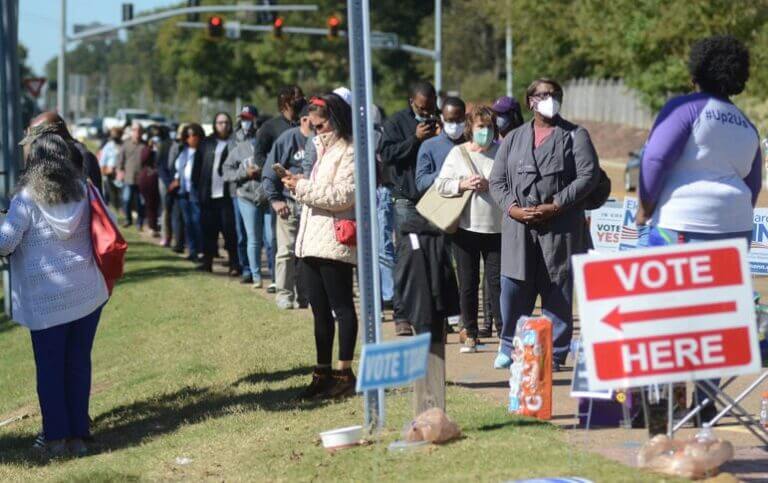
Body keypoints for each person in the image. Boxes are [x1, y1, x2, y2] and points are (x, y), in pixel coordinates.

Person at [637, 35, 760, 424]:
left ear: (697, 72)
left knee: (664, 314)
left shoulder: (686, 107)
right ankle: (706, 402)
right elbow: (753, 185)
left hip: (681, 223)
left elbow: (656, 157)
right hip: (735, 227)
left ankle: (663, 401)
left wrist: (645, 206)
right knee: (715, 318)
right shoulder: (746, 124)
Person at [0, 133, 109, 458]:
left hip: (47, 299)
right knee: (78, 365)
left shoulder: (26, 198)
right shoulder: (84, 189)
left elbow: (5, 244)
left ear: (35, 161)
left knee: (50, 369)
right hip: (87, 292)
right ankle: (79, 436)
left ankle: (57, 439)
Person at [489, 78, 600, 371]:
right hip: (518, 227)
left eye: (555, 94)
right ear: (530, 102)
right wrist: (513, 210)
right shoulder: (513, 138)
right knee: (513, 288)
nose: (550, 99)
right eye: (543, 95)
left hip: (560, 227)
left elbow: (588, 177)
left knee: (557, 290)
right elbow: (497, 181)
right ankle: (509, 345)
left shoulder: (576, 135)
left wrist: (557, 204)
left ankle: (555, 353)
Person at [281, 94, 358, 399]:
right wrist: (299, 183)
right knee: (319, 311)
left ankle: (344, 372)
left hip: (334, 240)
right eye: (312, 124)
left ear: (336, 120)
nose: (316, 129)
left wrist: (301, 187)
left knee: (341, 307)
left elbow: (343, 196)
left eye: (321, 123)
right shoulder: (322, 152)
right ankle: (321, 372)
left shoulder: (349, 151)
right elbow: (321, 191)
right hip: (312, 239)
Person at [435, 105, 503, 353]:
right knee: (468, 282)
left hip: (497, 229)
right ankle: (470, 333)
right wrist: (462, 184)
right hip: (465, 228)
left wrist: (490, 186)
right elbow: (441, 185)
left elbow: (513, 184)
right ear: (470, 129)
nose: (485, 131)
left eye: (489, 127)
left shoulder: (502, 152)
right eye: (480, 126)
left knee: (496, 283)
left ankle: (504, 333)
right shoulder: (457, 154)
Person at [379, 81, 439, 336]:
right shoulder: (395, 123)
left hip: (435, 198)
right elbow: (387, 154)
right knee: (407, 256)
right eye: (422, 108)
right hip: (405, 197)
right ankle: (402, 315)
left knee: (435, 256)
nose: (426, 113)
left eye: (430, 108)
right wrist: (414, 139)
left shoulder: (441, 122)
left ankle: (434, 315)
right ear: (411, 101)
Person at [254, 85, 307, 293]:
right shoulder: (270, 127)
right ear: (285, 102)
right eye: (297, 100)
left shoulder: (308, 124)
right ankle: (280, 280)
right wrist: (275, 171)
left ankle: (302, 287)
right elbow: (259, 155)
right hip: (279, 192)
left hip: (304, 192)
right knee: (279, 240)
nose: (301, 102)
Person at [262, 104, 312, 308]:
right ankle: (284, 294)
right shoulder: (288, 139)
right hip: (289, 204)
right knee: (286, 251)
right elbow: (269, 172)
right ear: (304, 120)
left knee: (310, 254)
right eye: (313, 120)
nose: (318, 125)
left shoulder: (322, 141)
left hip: (313, 204)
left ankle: (306, 296)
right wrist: (275, 200)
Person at [223, 106, 271, 287]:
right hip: (243, 194)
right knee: (247, 236)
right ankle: (250, 271)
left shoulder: (269, 144)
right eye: (243, 118)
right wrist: (244, 173)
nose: (246, 122)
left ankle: (273, 276)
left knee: (269, 238)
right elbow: (227, 170)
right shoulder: (236, 141)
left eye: (249, 119)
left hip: (265, 195)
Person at [194, 112, 239, 274]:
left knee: (230, 232)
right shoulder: (206, 143)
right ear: (214, 124)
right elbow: (197, 169)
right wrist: (197, 190)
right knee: (208, 231)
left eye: (226, 122)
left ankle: (234, 264)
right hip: (208, 195)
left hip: (227, 196)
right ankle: (207, 263)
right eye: (220, 122)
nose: (223, 125)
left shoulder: (235, 143)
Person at [22, 112, 103, 197]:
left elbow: (91, 198)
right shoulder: (51, 154)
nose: (34, 144)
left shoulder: (81, 155)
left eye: (36, 138)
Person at [174, 123, 205, 262]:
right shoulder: (183, 151)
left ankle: (200, 250)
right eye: (188, 135)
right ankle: (192, 250)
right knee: (188, 222)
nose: (191, 138)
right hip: (183, 191)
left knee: (197, 222)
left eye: (193, 135)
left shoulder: (203, 152)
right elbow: (178, 168)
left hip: (195, 192)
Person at [118, 121, 148, 229]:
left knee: (141, 202)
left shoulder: (145, 145)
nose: (137, 133)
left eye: (139, 131)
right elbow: (120, 159)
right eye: (135, 130)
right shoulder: (126, 144)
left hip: (142, 179)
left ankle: (140, 222)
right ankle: (128, 219)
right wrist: (120, 171)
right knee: (127, 199)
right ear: (131, 132)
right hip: (129, 177)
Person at [163, 124, 188, 254]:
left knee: (187, 217)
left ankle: (187, 243)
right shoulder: (173, 146)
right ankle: (178, 242)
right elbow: (166, 166)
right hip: (174, 187)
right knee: (175, 215)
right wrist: (170, 183)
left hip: (187, 187)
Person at [139, 134, 162, 237]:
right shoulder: (146, 149)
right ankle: (152, 226)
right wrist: (150, 148)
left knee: (159, 205)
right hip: (148, 180)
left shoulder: (162, 149)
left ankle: (158, 226)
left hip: (160, 180)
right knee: (150, 205)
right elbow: (143, 160)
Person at [99, 127, 123, 210]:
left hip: (121, 174)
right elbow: (102, 161)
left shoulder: (123, 145)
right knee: (111, 193)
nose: (115, 137)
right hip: (109, 174)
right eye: (113, 135)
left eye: (117, 135)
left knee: (121, 194)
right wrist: (106, 170)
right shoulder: (108, 146)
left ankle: (119, 208)